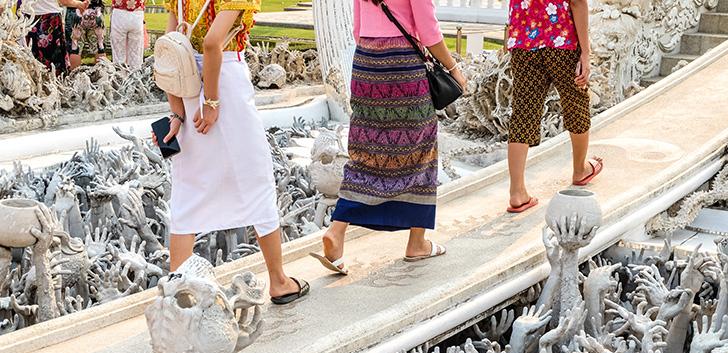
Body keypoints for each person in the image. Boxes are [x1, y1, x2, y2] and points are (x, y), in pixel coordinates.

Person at [153, 0, 309, 305]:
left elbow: (167, 50)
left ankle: (176, 295)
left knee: (188, 191)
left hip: (185, 86)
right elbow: (213, 43)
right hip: (224, 84)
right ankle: (278, 280)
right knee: (256, 179)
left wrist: (177, 112)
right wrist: (211, 102)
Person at [311, 0, 467, 275]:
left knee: (365, 151)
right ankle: (417, 242)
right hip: (402, 63)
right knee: (421, 148)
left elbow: (357, 29)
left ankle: (336, 231)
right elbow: (428, 31)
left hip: (366, 63)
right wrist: (453, 68)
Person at [504, 0, 603, 213]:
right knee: (575, 101)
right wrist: (586, 52)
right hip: (561, 39)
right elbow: (577, 2)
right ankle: (580, 170)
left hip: (524, 40)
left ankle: (517, 192)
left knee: (523, 111)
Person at [25, 0, 88, 75]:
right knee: (51, 63)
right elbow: (63, 1)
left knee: (30, 58)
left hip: (28, 18)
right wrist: (79, 4)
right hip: (48, 17)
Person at [66, 0, 106, 70]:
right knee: (99, 45)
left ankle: (74, 74)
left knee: (75, 46)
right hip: (96, 10)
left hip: (76, 9)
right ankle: (102, 73)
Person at [110, 0, 146, 70]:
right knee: (136, 54)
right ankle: (135, 73)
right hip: (137, 13)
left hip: (119, 12)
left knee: (118, 53)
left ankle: (120, 73)